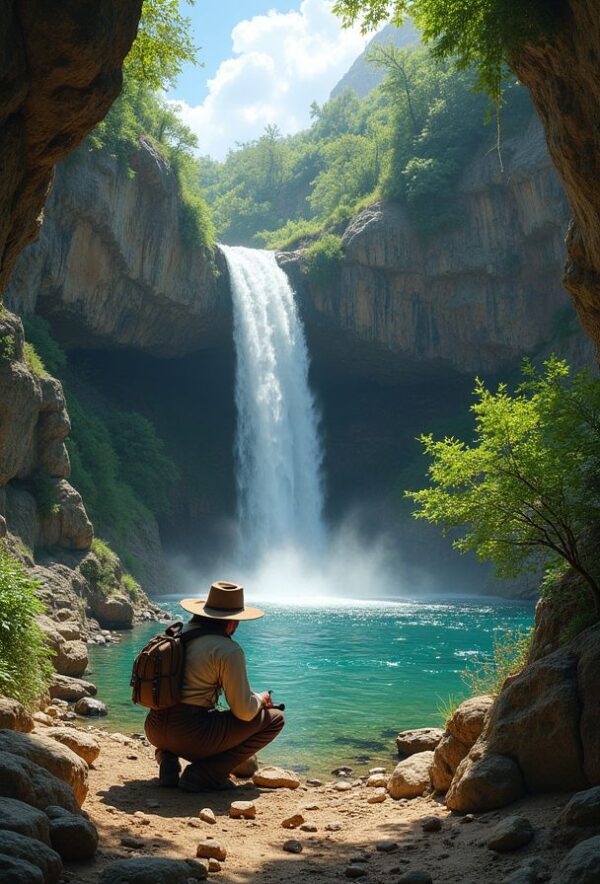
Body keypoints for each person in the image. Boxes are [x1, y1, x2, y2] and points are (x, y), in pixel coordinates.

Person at [145, 581, 284, 791]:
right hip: (191, 735)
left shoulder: (175, 633)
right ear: (231, 623)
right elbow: (244, 712)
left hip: (154, 727)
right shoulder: (227, 650)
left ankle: (166, 758)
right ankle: (204, 774)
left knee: (175, 725)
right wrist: (261, 698)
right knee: (275, 719)